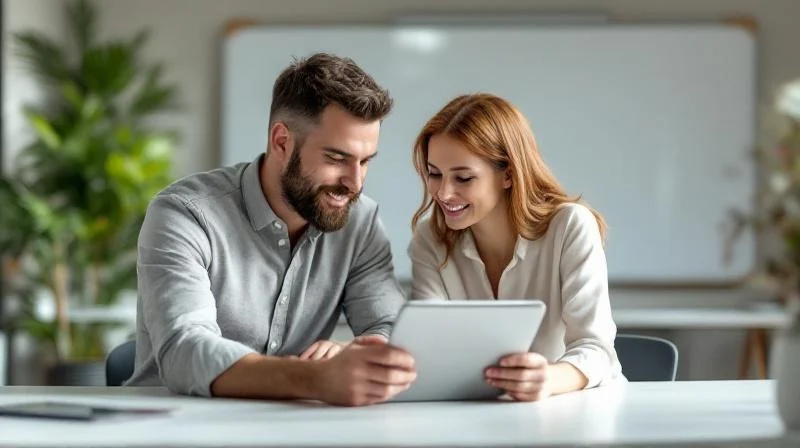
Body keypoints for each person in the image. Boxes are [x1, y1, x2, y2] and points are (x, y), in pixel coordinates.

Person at [126, 53, 416, 407]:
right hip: (169, 426)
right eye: (336, 159)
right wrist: (316, 379)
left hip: (290, 427)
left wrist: (355, 354)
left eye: (365, 161)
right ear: (282, 142)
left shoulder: (361, 222)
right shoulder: (185, 214)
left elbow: (390, 327)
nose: (354, 183)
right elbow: (185, 351)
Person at [407, 93, 623, 402]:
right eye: (434, 173)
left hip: (576, 414)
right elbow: (429, 348)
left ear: (508, 174)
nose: (444, 193)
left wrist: (547, 378)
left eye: (463, 178)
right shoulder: (431, 236)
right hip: (479, 417)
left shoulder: (570, 226)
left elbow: (598, 350)